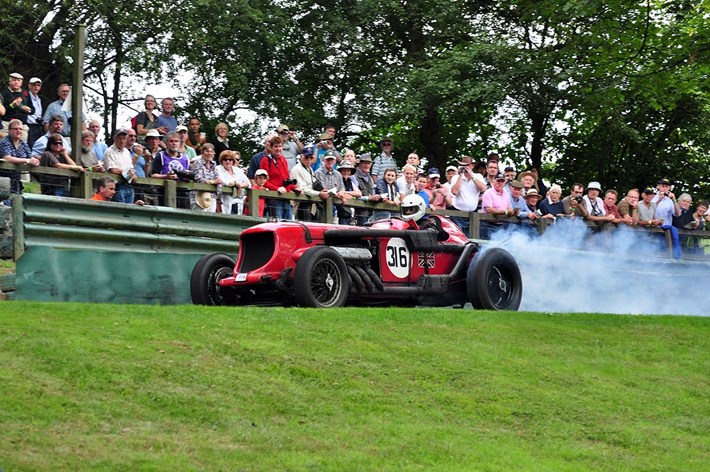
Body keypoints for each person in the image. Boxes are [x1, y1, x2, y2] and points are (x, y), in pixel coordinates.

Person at [259, 135, 299, 220]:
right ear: (271, 147)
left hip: (286, 197)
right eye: (275, 146)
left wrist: (295, 188)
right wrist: (276, 188)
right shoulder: (266, 160)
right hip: (274, 198)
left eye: (280, 146)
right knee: (278, 222)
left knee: (288, 223)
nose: (278, 149)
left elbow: (286, 179)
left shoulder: (283, 160)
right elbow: (263, 181)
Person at [151, 131, 192, 208]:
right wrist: (166, 176)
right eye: (171, 141)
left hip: (182, 192)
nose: (174, 143)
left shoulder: (185, 158)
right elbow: (153, 175)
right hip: (165, 192)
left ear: (179, 143)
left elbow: (189, 175)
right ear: (166, 143)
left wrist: (188, 178)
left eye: (176, 141)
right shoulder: (160, 156)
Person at [0, 118, 39, 196]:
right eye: (16, 129)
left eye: (20, 129)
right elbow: (7, 158)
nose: (19, 131)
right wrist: (26, 161)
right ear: (9, 130)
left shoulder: (24, 145)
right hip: (3, 181)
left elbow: (30, 157)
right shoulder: (4, 142)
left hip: (16, 182)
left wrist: (34, 161)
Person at [450, 156, 486, 236]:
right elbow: (455, 192)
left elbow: (483, 189)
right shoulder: (456, 177)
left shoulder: (478, 176)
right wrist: (461, 175)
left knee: (473, 237)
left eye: (467, 165)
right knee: (458, 238)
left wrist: (472, 176)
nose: (465, 168)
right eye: (462, 165)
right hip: (457, 214)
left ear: (472, 166)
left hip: (473, 215)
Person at [104, 128, 138, 204]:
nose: (122, 141)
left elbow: (131, 167)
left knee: (130, 210)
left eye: (124, 138)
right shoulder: (110, 151)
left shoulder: (126, 152)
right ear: (114, 139)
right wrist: (127, 173)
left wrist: (133, 174)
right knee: (120, 209)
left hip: (129, 185)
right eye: (119, 138)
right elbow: (112, 170)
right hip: (117, 186)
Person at [315, 151, 351, 221]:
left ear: (334, 161)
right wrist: (338, 195)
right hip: (322, 205)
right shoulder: (318, 172)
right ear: (324, 160)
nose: (330, 161)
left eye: (332, 159)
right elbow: (323, 189)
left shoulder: (338, 174)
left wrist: (341, 194)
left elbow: (342, 189)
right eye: (328, 159)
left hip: (336, 205)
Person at [290, 146, 321, 221]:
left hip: (312, 202)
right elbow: (303, 189)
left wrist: (322, 190)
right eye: (307, 157)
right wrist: (319, 193)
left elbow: (313, 184)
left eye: (311, 157)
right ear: (302, 157)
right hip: (301, 203)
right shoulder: (296, 169)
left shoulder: (309, 168)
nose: (309, 160)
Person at [1, 73, 34, 142]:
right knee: (4, 147)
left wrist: (29, 110)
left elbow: (33, 109)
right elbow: (2, 112)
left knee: (22, 148)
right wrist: (12, 106)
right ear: (9, 82)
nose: (16, 82)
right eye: (14, 80)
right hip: (7, 125)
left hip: (22, 126)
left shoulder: (26, 93)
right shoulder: (3, 94)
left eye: (18, 80)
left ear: (21, 83)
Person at [351, 153, 383, 225]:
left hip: (371, 212)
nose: (367, 165)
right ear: (359, 164)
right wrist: (368, 198)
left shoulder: (370, 178)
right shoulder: (354, 176)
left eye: (368, 163)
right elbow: (354, 196)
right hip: (359, 213)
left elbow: (373, 192)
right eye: (364, 163)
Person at [481, 172, 515, 238]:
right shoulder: (488, 192)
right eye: (498, 181)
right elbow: (489, 210)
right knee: (487, 246)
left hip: (502, 225)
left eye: (502, 181)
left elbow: (509, 208)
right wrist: (506, 212)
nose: (500, 183)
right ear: (494, 181)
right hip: (488, 225)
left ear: (505, 182)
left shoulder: (506, 193)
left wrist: (512, 212)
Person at [189, 143, 221, 212]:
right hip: (198, 196)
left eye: (211, 151)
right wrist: (212, 181)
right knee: (199, 219)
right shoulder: (197, 163)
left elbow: (218, 179)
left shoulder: (214, 164)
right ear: (202, 153)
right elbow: (198, 178)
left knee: (211, 219)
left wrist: (216, 182)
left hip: (211, 196)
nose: (209, 153)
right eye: (207, 151)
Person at [216, 150, 250, 214]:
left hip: (238, 202)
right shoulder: (218, 169)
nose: (228, 161)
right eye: (225, 159)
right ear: (221, 160)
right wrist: (237, 184)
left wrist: (241, 185)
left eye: (230, 159)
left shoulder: (238, 170)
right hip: (223, 201)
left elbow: (248, 183)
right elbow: (225, 182)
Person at [26, 77, 47, 148]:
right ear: (29, 85)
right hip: (30, 125)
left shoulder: (38, 99)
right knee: (30, 146)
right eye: (34, 85)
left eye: (38, 85)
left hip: (38, 126)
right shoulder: (26, 97)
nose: (36, 87)